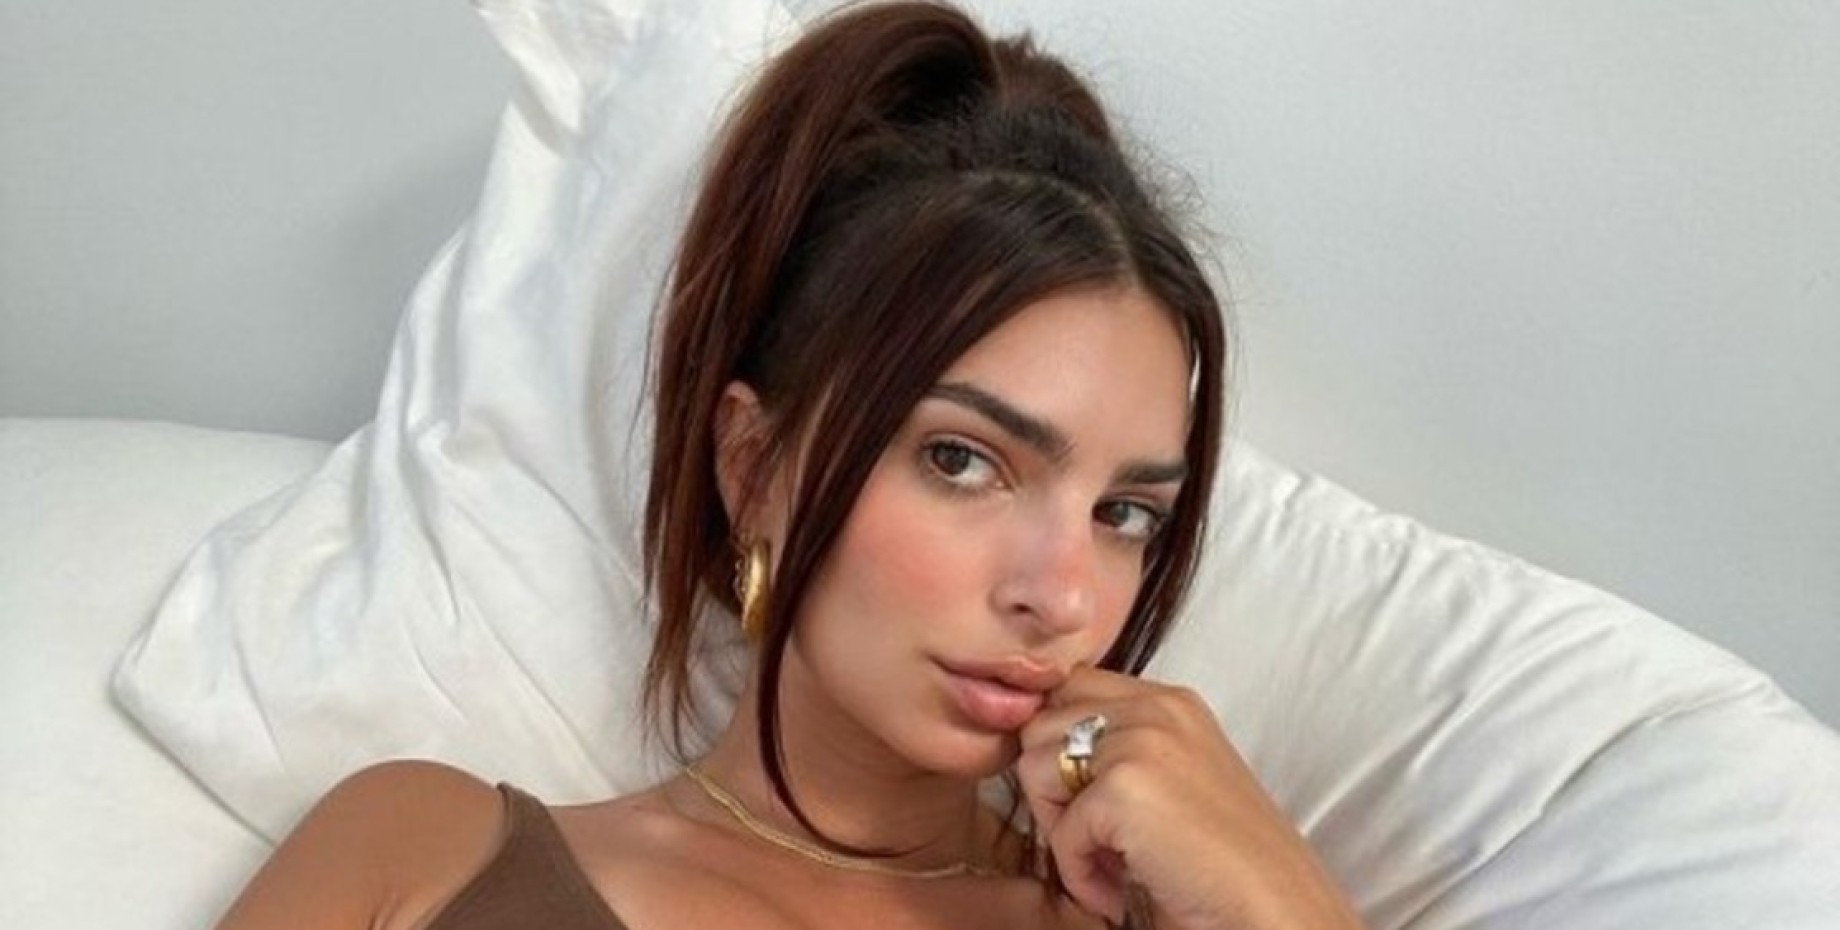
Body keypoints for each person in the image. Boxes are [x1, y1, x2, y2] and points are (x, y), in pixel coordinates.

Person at [212, 3, 1366, 928]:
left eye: (1125, 513)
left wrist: (1292, 910)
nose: (1060, 596)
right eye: (961, 460)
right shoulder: (423, 851)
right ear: (753, 464)